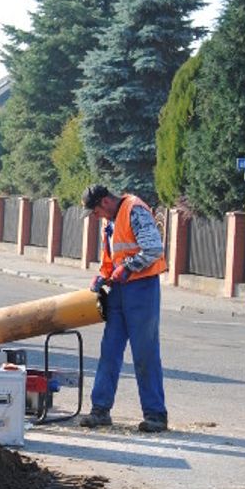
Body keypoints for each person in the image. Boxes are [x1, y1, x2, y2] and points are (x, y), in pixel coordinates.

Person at [80, 183, 169, 432]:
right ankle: (100, 410)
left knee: (145, 353)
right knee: (109, 350)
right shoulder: (109, 222)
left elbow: (153, 248)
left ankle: (155, 415)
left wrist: (129, 267)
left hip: (142, 289)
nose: (96, 217)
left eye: (95, 212)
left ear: (105, 203)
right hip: (119, 290)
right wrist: (102, 275)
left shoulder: (134, 210)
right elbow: (112, 259)